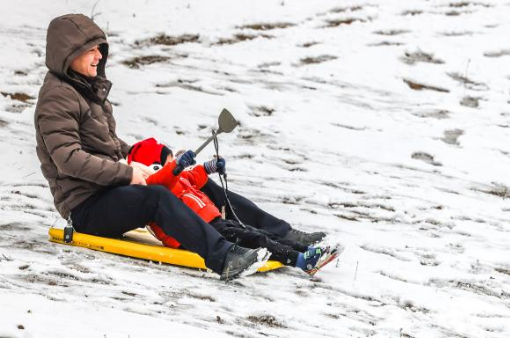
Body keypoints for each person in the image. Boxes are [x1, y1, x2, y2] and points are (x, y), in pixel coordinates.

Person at [33, 14, 324, 280]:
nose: (99, 56)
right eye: (90, 50)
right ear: (67, 55)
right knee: (156, 198)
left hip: (109, 192)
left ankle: (286, 234)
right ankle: (225, 257)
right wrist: (127, 174)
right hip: (86, 208)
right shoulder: (57, 99)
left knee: (196, 181)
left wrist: (155, 157)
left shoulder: (84, 90)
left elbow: (109, 146)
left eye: (100, 48)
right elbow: (68, 160)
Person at [126, 138, 339, 275]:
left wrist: (209, 167)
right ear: (154, 167)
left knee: (258, 233)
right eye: (170, 162)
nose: (175, 165)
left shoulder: (178, 178)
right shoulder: (153, 187)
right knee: (256, 239)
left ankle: (308, 251)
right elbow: (162, 182)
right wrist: (175, 167)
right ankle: (301, 260)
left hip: (214, 222)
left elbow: (193, 177)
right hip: (197, 231)